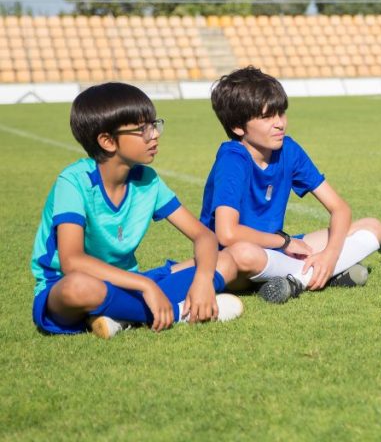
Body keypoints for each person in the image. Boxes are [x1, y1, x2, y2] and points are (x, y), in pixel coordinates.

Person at [31, 82, 242, 339]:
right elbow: (72, 261)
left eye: (154, 125)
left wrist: (203, 280)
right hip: (68, 288)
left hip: (129, 283)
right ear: (108, 141)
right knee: (78, 287)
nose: (154, 135)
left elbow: (204, 236)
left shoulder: (147, 180)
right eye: (142, 129)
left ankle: (120, 316)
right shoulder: (73, 182)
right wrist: (146, 285)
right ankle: (179, 313)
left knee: (226, 260)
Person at [199, 66, 381, 304]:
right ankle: (316, 275)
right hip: (234, 258)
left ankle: (303, 277)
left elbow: (340, 208)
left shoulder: (288, 149)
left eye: (281, 113)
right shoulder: (232, 159)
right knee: (244, 253)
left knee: (373, 227)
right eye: (267, 117)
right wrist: (286, 242)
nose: (279, 124)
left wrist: (329, 254)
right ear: (237, 126)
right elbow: (227, 234)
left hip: (276, 252)